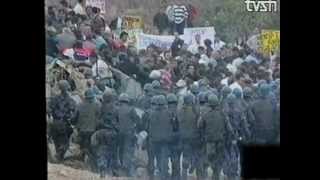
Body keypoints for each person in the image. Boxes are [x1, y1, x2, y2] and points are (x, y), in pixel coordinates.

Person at [200, 94, 227, 180]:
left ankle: (213, 171)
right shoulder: (222, 113)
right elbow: (228, 127)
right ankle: (216, 175)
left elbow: (199, 125)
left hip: (210, 141)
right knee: (218, 159)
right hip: (220, 140)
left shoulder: (205, 114)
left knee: (210, 158)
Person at [146, 95, 173, 180]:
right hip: (165, 140)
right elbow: (174, 126)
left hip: (153, 140)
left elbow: (147, 127)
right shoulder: (169, 113)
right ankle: (163, 176)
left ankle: (151, 176)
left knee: (152, 158)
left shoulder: (151, 114)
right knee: (163, 159)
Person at [48, 80, 77, 161]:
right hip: (64, 124)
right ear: (67, 88)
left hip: (55, 123)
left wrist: (51, 116)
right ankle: (59, 155)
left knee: (56, 142)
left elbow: (48, 109)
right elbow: (74, 112)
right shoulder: (70, 100)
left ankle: (59, 159)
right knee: (65, 144)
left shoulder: (54, 99)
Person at [74, 89, 101, 162]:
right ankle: (91, 162)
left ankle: (82, 160)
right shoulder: (97, 105)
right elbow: (100, 117)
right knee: (92, 148)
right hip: (92, 131)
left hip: (82, 131)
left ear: (85, 97)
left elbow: (74, 118)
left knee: (83, 146)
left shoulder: (79, 105)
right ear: (92, 97)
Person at [116, 93, 140, 176]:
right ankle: (126, 168)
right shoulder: (131, 109)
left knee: (120, 149)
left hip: (118, 132)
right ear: (127, 101)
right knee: (127, 150)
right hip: (129, 133)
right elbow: (137, 120)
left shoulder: (116, 109)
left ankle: (120, 165)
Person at [177, 93, 200, 180]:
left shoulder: (180, 111)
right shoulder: (195, 111)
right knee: (195, 154)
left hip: (184, 137)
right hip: (194, 137)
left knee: (185, 156)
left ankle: (184, 176)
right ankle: (193, 166)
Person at [166, 93, 180, 180]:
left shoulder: (165, 112)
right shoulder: (179, 112)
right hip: (176, 139)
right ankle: (176, 176)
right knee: (175, 159)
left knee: (165, 158)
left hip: (167, 139)